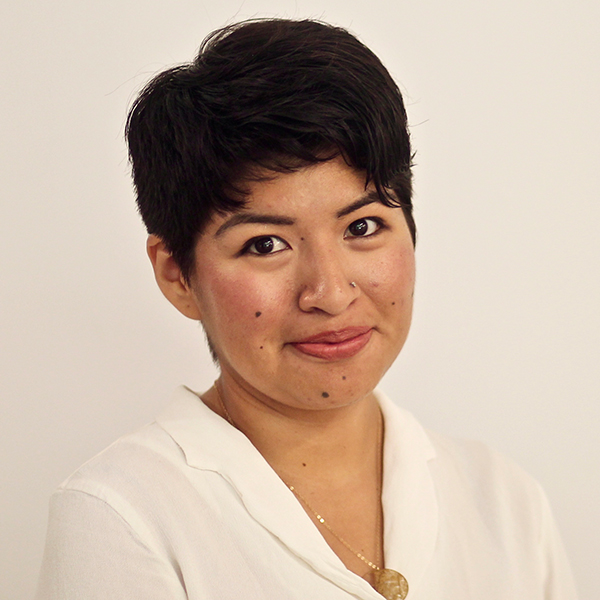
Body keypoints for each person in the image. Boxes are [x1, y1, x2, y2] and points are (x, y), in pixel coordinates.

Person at [36, 18, 577, 600]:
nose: (331, 292)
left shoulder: (505, 501)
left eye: (363, 226)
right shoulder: (124, 516)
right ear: (177, 274)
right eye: (265, 244)